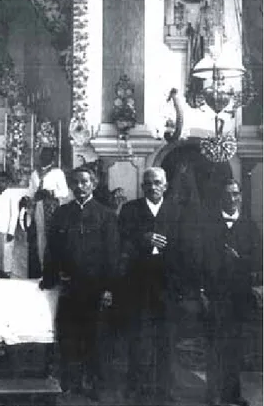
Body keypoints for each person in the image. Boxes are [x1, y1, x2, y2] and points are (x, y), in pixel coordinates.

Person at [41, 167, 120, 401]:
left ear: (93, 185)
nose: (80, 186)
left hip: (95, 288)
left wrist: (109, 288)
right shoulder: (62, 214)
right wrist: (50, 277)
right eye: (75, 182)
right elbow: (52, 249)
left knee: (95, 337)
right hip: (69, 286)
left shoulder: (106, 215)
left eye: (85, 182)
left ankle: (95, 383)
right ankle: (70, 382)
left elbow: (112, 255)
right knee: (69, 335)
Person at [118, 167, 184, 402]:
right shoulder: (129, 210)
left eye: (157, 183)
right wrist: (141, 239)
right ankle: (135, 388)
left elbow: (186, 248)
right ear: (142, 186)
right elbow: (120, 243)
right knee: (137, 337)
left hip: (166, 284)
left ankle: (165, 389)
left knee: (166, 338)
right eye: (147, 183)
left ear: (165, 185)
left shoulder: (177, 211)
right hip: (138, 282)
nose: (152, 187)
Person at [201, 179, 261, 406]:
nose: (232, 199)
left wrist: (239, 260)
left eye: (235, 194)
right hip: (214, 295)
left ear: (241, 197)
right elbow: (199, 258)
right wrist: (202, 291)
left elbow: (259, 260)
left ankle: (232, 393)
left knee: (235, 347)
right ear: (220, 198)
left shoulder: (249, 226)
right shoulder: (208, 225)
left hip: (238, 296)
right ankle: (213, 394)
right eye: (227, 195)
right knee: (214, 345)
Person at [26, 147, 68, 276]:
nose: (44, 157)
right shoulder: (35, 174)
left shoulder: (57, 172)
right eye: (42, 155)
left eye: (47, 155)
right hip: (38, 207)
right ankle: (43, 267)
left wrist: (50, 192)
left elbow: (65, 192)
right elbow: (31, 192)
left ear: (52, 157)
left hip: (52, 208)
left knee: (53, 236)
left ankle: (55, 269)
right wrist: (28, 199)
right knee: (40, 237)